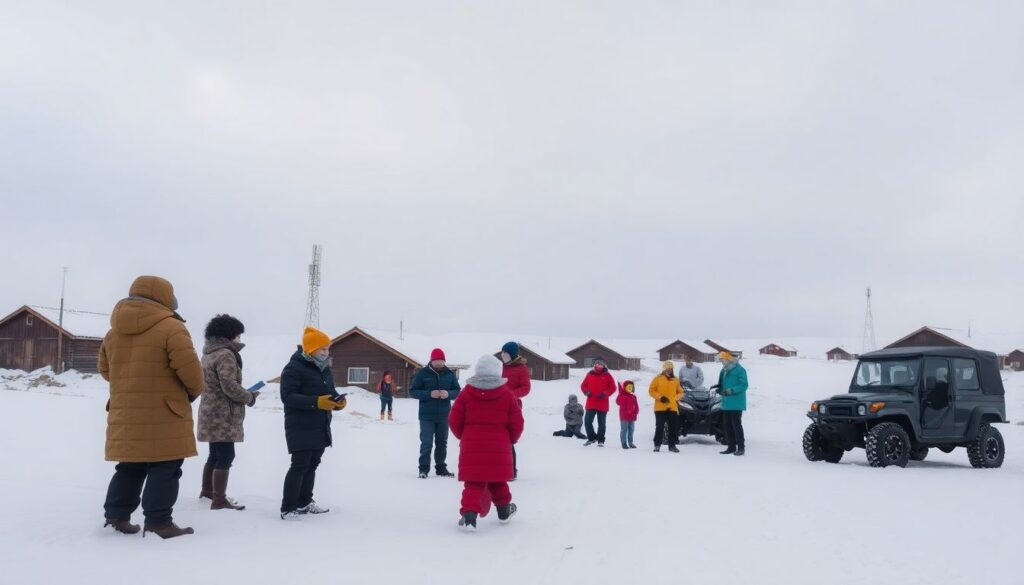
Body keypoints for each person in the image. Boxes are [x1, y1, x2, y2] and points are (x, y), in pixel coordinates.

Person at [99, 275, 203, 539]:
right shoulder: (171, 327)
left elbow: (104, 370)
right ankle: (158, 523)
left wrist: (130, 387)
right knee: (165, 466)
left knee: (129, 465)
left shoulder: (113, 332)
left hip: (126, 411)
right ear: (164, 296)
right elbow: (193, 375)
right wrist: (186, 395)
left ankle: (116, 517)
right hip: (166, 412)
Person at [448, 355, 524, 531]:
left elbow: (454, 419)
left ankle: (469, 517)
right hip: (499, 446)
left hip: (471, 445)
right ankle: (504, 511)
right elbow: (517, 423)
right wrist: (510, 440)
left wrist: (464, 436)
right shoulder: (507, 395)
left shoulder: (467, 393)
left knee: (473, 483)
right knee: (498, 481)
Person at [279, 326, 347, 520]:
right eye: (322, 349)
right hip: (299, 424)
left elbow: (330, 391)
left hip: (320, 423)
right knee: (300, 464)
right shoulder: (293, 368)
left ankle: (304, 501)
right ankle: (288, 507)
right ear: (310, 349)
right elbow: (288, 397)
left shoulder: (325, 368)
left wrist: (337, 402)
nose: (326, 353)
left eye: (328, 349)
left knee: (313, 463)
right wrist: (316, 402)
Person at [197, 314, 257, 511]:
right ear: (229, 334)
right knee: (225, 456)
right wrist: (249, 397)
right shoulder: (226, 354)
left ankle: (208, 492)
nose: (240, 339)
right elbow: (229, 386)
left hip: (209, 411)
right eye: (238, 335)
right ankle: (219, 499)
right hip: (223, 414)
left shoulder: (208, 354)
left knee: (214, 454)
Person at [410, 348, 461, 478]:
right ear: (432, 361)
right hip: (426, 416)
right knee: (426, 443)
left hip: (444, 415)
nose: (440, 363)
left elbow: (457, 391)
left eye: (442, 361)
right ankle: (423, 469)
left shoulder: (449, 374)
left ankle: (441, 468)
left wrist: (448, 394)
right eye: (437, 361)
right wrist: (429, 394)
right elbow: (413, 391)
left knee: (442, 442)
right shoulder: (422, 373)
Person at [500, 341, 531, 479]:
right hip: (497, 406)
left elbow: (526, 388)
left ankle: (512, 471)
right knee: (498, 438)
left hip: (512, 407)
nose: (502, 355)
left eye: (505, 353)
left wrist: (510, 394)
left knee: (508, 440)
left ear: (512, 354)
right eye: (502, 353)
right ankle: (498, 469)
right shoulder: (499, 366)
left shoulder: (522, 368)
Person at [717, 352, 749, 456]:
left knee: (736, 425)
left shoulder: (740, 370)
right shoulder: (724, 370)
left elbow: (744, 384)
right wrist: (719, 389)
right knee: (727, 426)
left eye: (722, 360)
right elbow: (723, 384)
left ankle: (741, 448)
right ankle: (731, 447)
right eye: (721, 360)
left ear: (728, 359)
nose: (721, 362)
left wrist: (731, 391)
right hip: (726, 403)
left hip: (736, 402)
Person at [580, 358, 616, 446]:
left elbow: (613, 387)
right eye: (598, 364)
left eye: (601, 364)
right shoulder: (590, 374)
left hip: (603, 404)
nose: (599, 365)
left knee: (602, 423)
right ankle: (591, 438)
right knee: (587, 421)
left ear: (604, 365)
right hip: (591, 403)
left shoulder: (607, 375)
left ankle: (601, 440)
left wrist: (605, 393)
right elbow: (583, 386)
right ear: (595, 365)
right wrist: (586, 391)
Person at [649, 361, 683, 453]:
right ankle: (657, 445)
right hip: (660, 407)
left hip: (672, 407)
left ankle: (672, 446)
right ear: (664, 369)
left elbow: (680, 392)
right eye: (667, 368)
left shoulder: (676, 380)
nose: (669, 370)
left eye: (671, 369)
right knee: (659, 426)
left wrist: (675, 398)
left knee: (673, 427)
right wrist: (660, 397)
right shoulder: (657, 379)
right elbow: (651, 391)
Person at [616, 380, 639, 449]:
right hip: (624, 416)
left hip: (632, 416)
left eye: (631, 387)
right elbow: (617, 402)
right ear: (624, 388)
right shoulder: (622, 396)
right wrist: (622, 395)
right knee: (624, 429)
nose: (630, 388)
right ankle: (623, 443)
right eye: (628, 387)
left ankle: (630, 442)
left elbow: (636, 406)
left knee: (631, 429)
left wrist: (636, 412)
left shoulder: (633, 397)